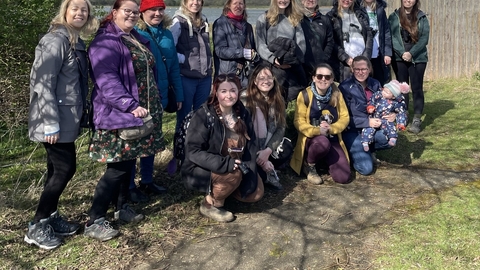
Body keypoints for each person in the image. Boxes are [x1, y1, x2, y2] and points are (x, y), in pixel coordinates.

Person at [85, 0, 164, 241]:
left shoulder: (134, 38)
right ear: (115, 12)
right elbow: (107, 80)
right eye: (126, 11)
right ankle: (95, 219)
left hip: (140, 114)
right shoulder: (105, 42)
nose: (131, 15)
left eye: (135, 12)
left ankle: (121, 208)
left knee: (129, 162)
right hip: (120, 115)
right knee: (117, 168)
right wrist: (130, 106)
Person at [25, 0, 97, 250]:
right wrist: (50, 124)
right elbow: (42, 83)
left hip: (67, 118)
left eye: (84, 9)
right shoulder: (55, 40)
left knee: (57, 170)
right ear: (64, 11)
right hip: (53, 121)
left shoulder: (74, 40)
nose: (80, 12)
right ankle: (36, 226)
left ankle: (51, 217)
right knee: (66, 168)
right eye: (75, 8)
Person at [181, 74, 263, 223]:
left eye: (233, 90)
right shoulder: (204, 115)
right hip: (203, 167)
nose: (229, 95)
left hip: (236, 163)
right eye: (223, 91)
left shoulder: (242, 113)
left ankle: (227, 189)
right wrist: (225, 164)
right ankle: (211, 203)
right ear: (216, 92)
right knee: (233, 175)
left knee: (255, 194)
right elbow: (192, 151)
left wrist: (250, 174)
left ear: (238, 92)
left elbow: (251, 145)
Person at [127, 0, 183, 203]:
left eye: (161, 9)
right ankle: (130, 185)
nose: (157, 13)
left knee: (152, 140)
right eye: (152, 10)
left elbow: (174, 67)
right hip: (141, 97)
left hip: (161, 96)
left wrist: (179, 95)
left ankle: (148, 180)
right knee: (136, 140)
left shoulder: (167, 34)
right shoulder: (135, 34)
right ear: (142, 12)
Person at [290, 63, 351, 185]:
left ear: (332, 79)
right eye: (319, 76)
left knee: (343, 177)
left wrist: (332, 128)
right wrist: (317, 131)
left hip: (332, 137)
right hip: (312, 138)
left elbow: (345, 117)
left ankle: (324, 161)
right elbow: (298, 121)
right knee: (322, 142)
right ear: (313, 78)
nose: (323, 79)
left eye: (327, 77)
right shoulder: (304, 95)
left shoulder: (337, 94)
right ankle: (309, 165)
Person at [339, 56, 395, 176]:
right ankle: (354, 152)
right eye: (357, 69)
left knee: (390, 136)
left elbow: (384, 104)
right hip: (352, 131)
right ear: (352, 70)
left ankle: (369, 150)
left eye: (364, 69)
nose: (360, 72)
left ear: (369, 69)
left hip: (372, 129)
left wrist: (391, 115)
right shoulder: (344, 87)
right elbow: (342, 118)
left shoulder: (375, 84)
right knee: (366, 169)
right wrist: (366, 122)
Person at [242, 63, 292, 191]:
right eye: (261, 78)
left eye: (269, 77)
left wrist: (268, 151)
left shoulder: (278, 98)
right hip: (249, 147)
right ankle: (263, 169)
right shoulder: (244, 98)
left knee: (286, 147)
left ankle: (266, 165)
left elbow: (280, 128)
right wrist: (259, 155)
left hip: (267, 146)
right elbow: (242, 132)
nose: (266, 81)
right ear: (254, 80)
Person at [170, 0, 212, 131]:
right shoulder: (178, 22)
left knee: (201, 116)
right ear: (185, 2)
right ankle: (181, 149)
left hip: (204, 77)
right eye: (192, 0)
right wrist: (184, 59)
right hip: (186, 77)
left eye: (199, 0)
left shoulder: (203, 21)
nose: (196, 2)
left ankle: (196, 149)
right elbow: (170, 49)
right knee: (184, 117)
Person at [389, 0, 430, 134]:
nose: (408, 0)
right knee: (402, 88)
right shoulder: (394, 16)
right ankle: (403, 115)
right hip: (399, 58)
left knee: (417, 88)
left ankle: (417, 119)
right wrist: (402, 53)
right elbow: (392, 37)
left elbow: (424, 38)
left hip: (418, 58)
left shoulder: (422, 17)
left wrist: (411, 53)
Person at [255, 0, 307, 102]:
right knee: (271, 99)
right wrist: (273, 59)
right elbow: (260, 44)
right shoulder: (263, 18)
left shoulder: (295, 19)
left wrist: (291, 61)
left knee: (290, 98)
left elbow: (301, 44)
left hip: (290, 65)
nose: (283, 0)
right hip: (270, 65)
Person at [213, 0, 258, 90]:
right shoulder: (220, 23)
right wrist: (243, 53)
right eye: (235, 3)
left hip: (246, 78)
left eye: (241, 3)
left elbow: (253, 50)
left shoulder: (248, 26)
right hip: (226, 77)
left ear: (244, 6)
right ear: (229, 5)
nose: (238, 6)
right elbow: (220, 50)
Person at [327, 0, 373, 82]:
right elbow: (331, 41)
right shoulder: (331, 16)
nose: (347, 1)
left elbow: (369, 35)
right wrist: (346, 58)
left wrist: (364, 59)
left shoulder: (360, 14)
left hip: (362, 61)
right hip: (343, 64)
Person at [361, 80, 410, 151]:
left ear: (393, 96)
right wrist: (370, 107)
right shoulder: (378, 95)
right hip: (374, 117)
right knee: (368, 129)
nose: (383, 92)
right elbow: (371, 101)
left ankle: (392, 138)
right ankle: (365, 142)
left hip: (385, 119)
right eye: (384, 90)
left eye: (387, 92)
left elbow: (401, 113)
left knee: (390, 127)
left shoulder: (397, 102)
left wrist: (401, 123)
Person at [357, 0, 392, 86]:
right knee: (364, 82)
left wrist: (387, 53)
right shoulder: (358, 8)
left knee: (380, 81)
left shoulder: (380, 9)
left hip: (379, 52)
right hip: (364, 51)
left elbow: (386, 31)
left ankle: (378, 99)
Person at [300, 0, 335, 78]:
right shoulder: (297, 19)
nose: (311, 0)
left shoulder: (324, 19)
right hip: (302, 66)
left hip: (320, 64)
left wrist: (324, 57)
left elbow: (330, 41)